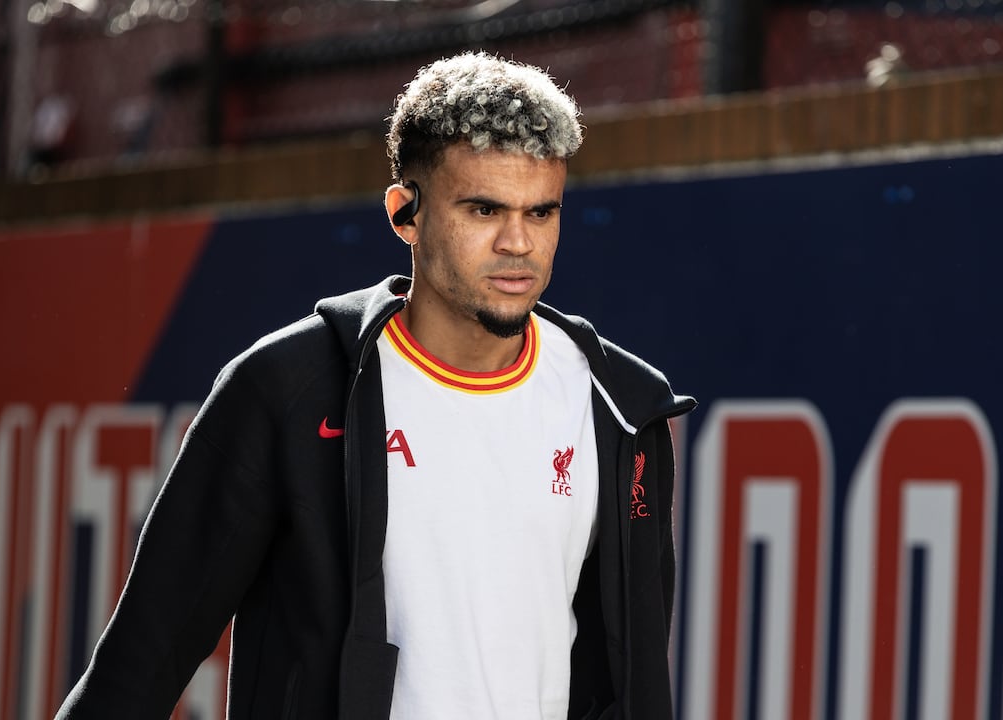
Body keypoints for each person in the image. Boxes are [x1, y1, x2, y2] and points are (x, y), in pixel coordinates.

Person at [55, 52, 694, 720]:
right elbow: (141, 662)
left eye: (541, 213)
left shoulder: (617, 410)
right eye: (483, 210)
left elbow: (635, 679)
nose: (517, 243)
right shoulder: (290, 391)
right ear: (404, 214)